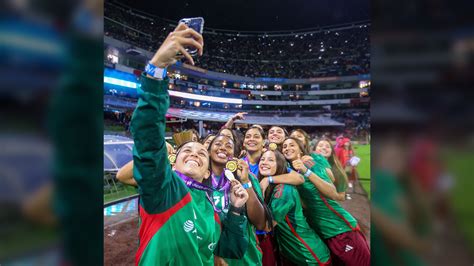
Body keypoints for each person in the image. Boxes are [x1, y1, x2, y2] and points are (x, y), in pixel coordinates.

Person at [131, 23, 249, 265]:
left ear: (207, 170)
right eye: (187, 150)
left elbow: (230, 250)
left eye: (200, 153)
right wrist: (157, 70)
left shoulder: (210, 206)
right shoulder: (164, 191)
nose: (195, 153)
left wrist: (236, 210)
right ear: (172, 164)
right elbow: (148, 139)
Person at [282, 137, 370, 266]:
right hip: (321, 231)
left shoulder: (310, 164)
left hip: (339, 228)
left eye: (292, 145)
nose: (288, 148)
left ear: (301, 150)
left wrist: (306, 171)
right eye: (284, 146)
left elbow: (333, 193)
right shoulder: (288, 169)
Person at [259, 148, 331, 265]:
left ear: (280, 165)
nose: (264, 162)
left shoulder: (284, 191)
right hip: (293, 254)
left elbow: (267, 226)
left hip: (309, 255)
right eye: (262, 159)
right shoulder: (272, 185)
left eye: (271, 160)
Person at [208, 134, 269, 266]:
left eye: (229, 146)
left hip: (244, 258)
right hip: (208, 255)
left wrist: (245, 182)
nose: (223, 148)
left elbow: (260, 223)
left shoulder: (248, 178)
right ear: (208, 150)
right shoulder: (199, 180)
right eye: (218, 144)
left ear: (234, 155)